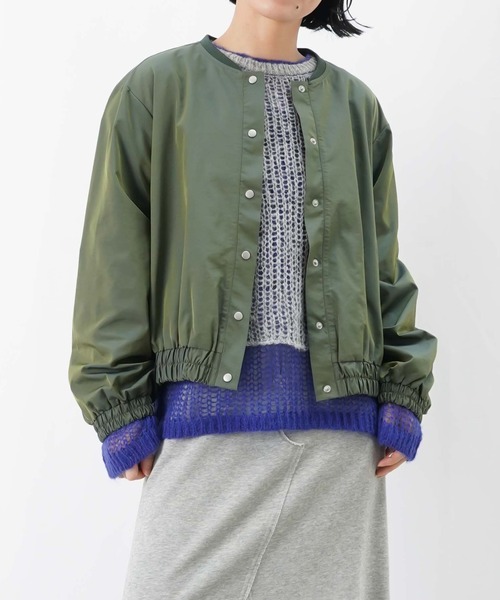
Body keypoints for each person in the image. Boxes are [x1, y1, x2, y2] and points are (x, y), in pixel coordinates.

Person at [68, 1, 438, 598]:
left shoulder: (356, 106)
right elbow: (114, 256)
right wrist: (118, 403)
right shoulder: (156, 90)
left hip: (342, 435)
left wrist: (403, 393)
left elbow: (382, 266)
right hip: (204, 421)